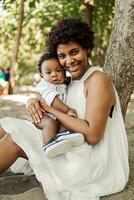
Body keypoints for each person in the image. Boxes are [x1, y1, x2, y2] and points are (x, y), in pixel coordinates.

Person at [0, 18, 129, 200]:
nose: (69, 61)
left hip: (91, 162)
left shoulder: (98, 79)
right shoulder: (70, 81)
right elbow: (48, 95)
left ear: (87, 49)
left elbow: (92, 135)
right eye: (62, 56)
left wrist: (52, 111)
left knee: (15, 136)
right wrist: (31, 101)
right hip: (71, 145)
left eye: (74, 52)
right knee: (7, 125)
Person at [35, 51, 84, 157]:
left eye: (58, 70)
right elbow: (54, 101)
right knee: (51, 123)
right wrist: (67, 110)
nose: (54, 74)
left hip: (54, 115)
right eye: (48, 72)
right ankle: (49, 144)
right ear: (41, 75)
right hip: (42, 117)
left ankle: (63, 134)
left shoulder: (62, 85)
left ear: (64, 72)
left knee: (61, 120)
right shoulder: (45, 86)